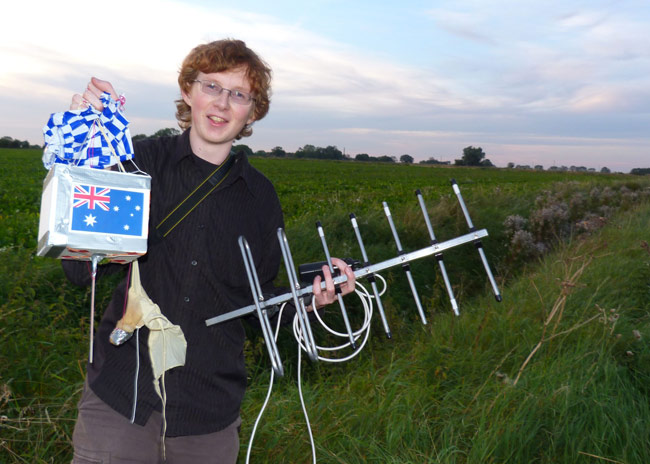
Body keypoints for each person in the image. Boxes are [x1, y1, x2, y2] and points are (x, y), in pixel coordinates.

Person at [62, 39, 356, 463]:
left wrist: (311, 300)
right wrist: (84, 160)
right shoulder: (136, 164)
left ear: (253, 111)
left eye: (239, 94)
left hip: (208, 417)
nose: (222, 103)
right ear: (187, 91)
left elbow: (262, 306)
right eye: (211, 86)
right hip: (121, 400)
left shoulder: (260, 198)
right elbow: (77, 271)